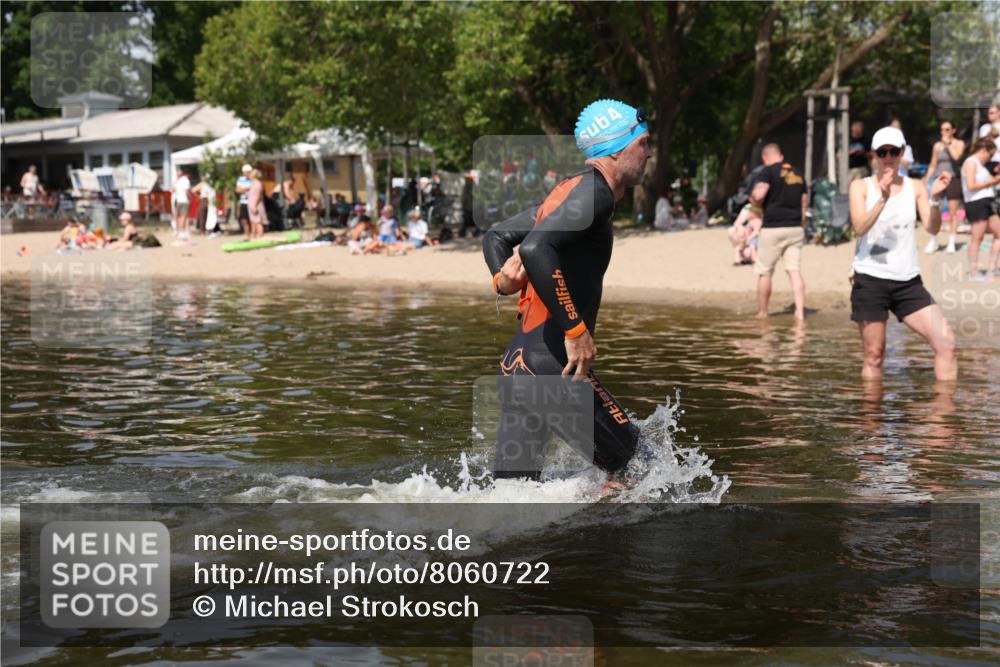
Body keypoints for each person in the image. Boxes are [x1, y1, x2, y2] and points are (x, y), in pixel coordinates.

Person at [482, 98, 650, 485]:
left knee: (513, 498)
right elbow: (535, 248)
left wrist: (500, 281)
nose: (649, 152)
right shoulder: (596, 194)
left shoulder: (571, 191)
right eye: (643, 143)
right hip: (550, 364)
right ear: (617, 148)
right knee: (640, 468)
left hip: (518, 365)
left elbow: (497, 235)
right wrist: (575, 331)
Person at [848, 125, 957, 381]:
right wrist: (883, 199)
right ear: (874, 154)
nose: (888, 157)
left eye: (893, 151)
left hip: (908, 282)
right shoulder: (860, 186)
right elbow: (859, 228)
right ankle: (871, 408)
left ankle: (943, 407)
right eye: (882, 152)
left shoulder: (915, 186)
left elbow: (932, 227)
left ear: (902, 153)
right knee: (874, 355)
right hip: (870, 279)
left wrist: (935, 199)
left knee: (947, 344)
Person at [750, 143, 808, 320]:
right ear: (781, 156)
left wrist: (753, 200)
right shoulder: (798, 173)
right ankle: (800, 312)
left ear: (765, 158)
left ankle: (763, 313)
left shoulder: (767, 172)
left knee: (765, 272)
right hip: (795, 227)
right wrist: (800, 222)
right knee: (794, 270)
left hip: (773, 227)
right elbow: (804, 202)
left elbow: (759, 195)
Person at [923, 120, 966, 254]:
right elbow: (933, 164)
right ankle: (933, 240)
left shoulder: (959, 143)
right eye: (942, 130)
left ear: (953, 130)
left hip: (953, 179)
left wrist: (948, 143)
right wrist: (926, 179)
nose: (944, 132)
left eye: (947, 129)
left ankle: (951, 241)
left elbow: (957, 157)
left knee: (953, 213)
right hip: (939, 180)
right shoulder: (937, 145)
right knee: (935, 210)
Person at [961, 137, 1000, 278]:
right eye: (990, 154)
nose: (990, 158)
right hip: (976, 203)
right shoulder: (971, 162)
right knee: (977, 238)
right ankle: (973, 272)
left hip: (986, 202)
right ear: (984, 150)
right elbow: (971, 186)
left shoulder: (980, 164)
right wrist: (992, 181)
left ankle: (992, 269)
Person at [172, 169, 192, 238]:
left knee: (178, 216)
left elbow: (173, 190)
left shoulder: (178, 180)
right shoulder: (186, 180)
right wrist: (189, 198)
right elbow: (186, 191)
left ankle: (178, 231)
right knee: (184, 216)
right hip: (184, 200)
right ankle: (182, 231)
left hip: (178, 200)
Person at [247, 169, 266, 239]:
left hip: (256, 205)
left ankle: (260, 237)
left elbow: (258, 195)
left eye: (251, 174)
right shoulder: (252, 183)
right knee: (253, 221)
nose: (249, 175)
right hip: (252, 205)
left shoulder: (258, 183)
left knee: (258, 221)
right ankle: (253, 237)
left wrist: (254, 205)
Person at [236, 164, 253, 240]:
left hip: (252, 202)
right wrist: (246, 188)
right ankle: (247, 235)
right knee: (244, 220)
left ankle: (253, 235)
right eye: (246, 172)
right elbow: (237, 190)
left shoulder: (253, 179)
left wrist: (243, 189)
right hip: (244, 202)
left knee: (252, 220)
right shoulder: (241, 179)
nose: (247, 173)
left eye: (249, 172)